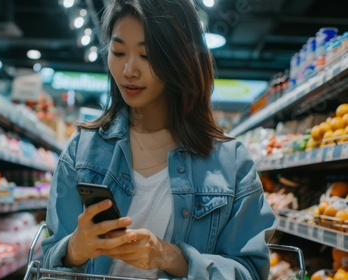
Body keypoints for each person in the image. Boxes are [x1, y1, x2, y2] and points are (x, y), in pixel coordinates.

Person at [41, 0, 276, 279]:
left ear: (180, 57)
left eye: (147, 55)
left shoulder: (231, 162)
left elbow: (251, 271)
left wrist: (170, 257)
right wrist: (74, 249)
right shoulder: (83, 151)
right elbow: (46, 261)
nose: (128, 70)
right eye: (118, 52)